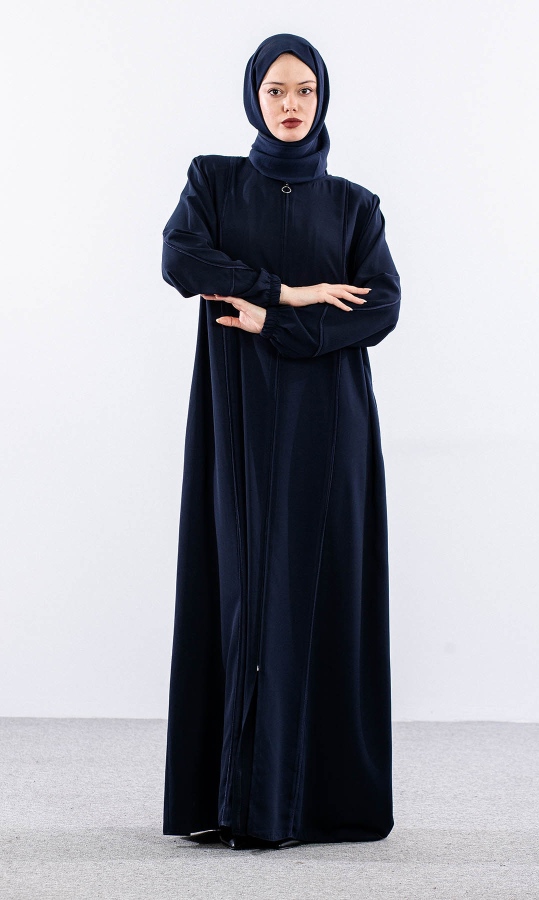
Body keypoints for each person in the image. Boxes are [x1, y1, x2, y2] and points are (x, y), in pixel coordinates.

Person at [161, 33, 401, 851]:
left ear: (322, 98)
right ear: (253, 98)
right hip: (237, 418)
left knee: (319, 586)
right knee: (242, 587)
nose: (291, 105)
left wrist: (274, 326)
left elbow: (381, 307)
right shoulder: (214, 182)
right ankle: (238, 800)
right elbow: (181, 259)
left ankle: (313, 804)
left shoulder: (356, 206)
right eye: (276, 91)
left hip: (330, 425)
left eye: (304, 91)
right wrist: (284, 293)